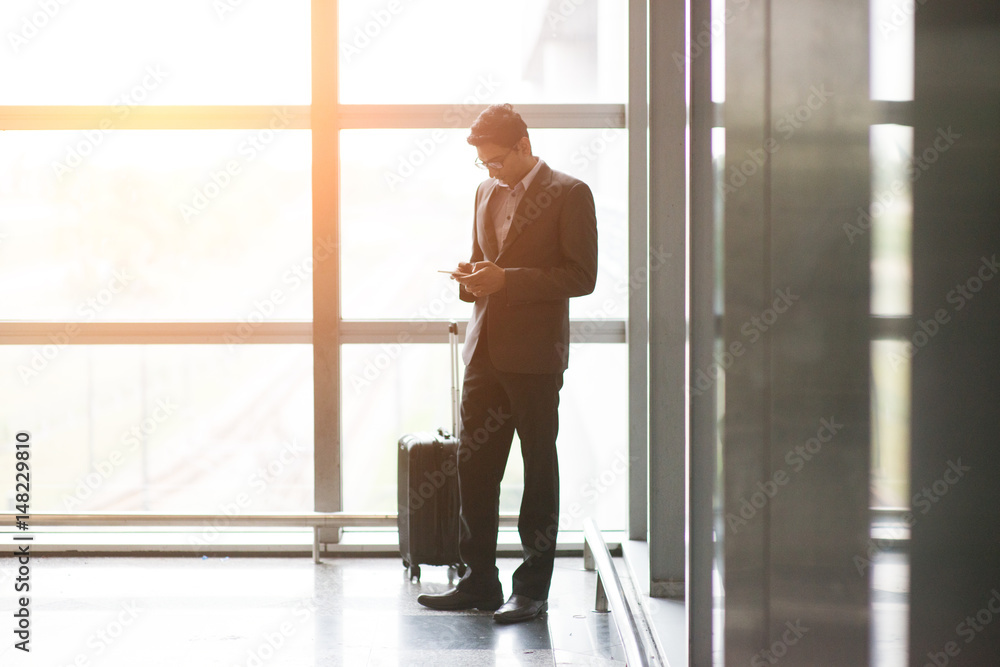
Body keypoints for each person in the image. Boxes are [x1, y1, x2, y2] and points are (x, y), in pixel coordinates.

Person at [416, 104, 598, 624]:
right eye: (483, 163)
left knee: (538, 469)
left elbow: (580, 276)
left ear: (523, 146)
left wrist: (508, 280)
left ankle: (532, 590)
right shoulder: (483, 192)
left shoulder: (569, 193)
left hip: (536, 357)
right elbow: (483, 259)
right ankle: (478, 583)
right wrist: (470, 276)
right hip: (484, 350)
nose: (490, 170)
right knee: (473, 467)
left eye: (496, 160)